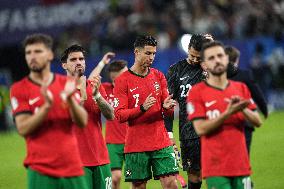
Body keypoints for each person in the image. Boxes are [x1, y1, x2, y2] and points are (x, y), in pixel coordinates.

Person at [10, 34, 88, 189]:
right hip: (41, 169)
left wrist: (70, 98)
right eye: (28, 52)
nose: (32, 56)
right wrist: (46, 107)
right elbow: (23, 128)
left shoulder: (65, 83)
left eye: (38, 51)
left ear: (50, 55)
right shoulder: (19, 89)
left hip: (72, 166)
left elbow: (82, 121)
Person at [187, 41, 262, 189]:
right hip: (216, 168)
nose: (217, 60)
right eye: (211, 58)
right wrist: (228, 113)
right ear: (204, 64)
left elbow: (257, 121)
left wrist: (242, 109)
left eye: (220, 56)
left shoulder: (240, 88)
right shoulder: (197, 92)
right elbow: (200, 129)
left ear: (227, 59)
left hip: (241, 165)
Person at [113, 35, 178, 189]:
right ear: (137, 52)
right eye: (148, 53)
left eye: (154, 53)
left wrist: (168, 108)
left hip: (161, 141)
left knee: (171, 184)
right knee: (139, 187)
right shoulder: (123, 80)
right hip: (136, 145)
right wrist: (141, 108)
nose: (152, 57)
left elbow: (167, 112)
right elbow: (120, 115)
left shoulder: (158, 76)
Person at [61, 44, 115, 189]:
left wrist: (97, 95)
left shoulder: (94, 86)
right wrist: (83, 95)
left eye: (81, 59)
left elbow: (110, 115)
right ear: (64, 65)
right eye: (73, 59)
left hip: (101, 159)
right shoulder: (59, 90)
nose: (78, 62)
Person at [164, 34, 213, 189]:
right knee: (194, 175)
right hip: (189, 133)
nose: (194, 60)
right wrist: (169, 134)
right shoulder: (175, 70)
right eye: (192, 55)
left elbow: (231, 75)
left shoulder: (213, 68)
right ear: (188, 49)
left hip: (214, 129)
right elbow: (168, 105)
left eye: (198, 57)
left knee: (217, 174)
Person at [226, 45, 268, 153]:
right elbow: (257, 94)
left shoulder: (218, 76)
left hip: (225, 121)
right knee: (243, 156)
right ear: (237, 59)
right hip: (245, 121)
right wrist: (264, 110)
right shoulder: (245, 75)